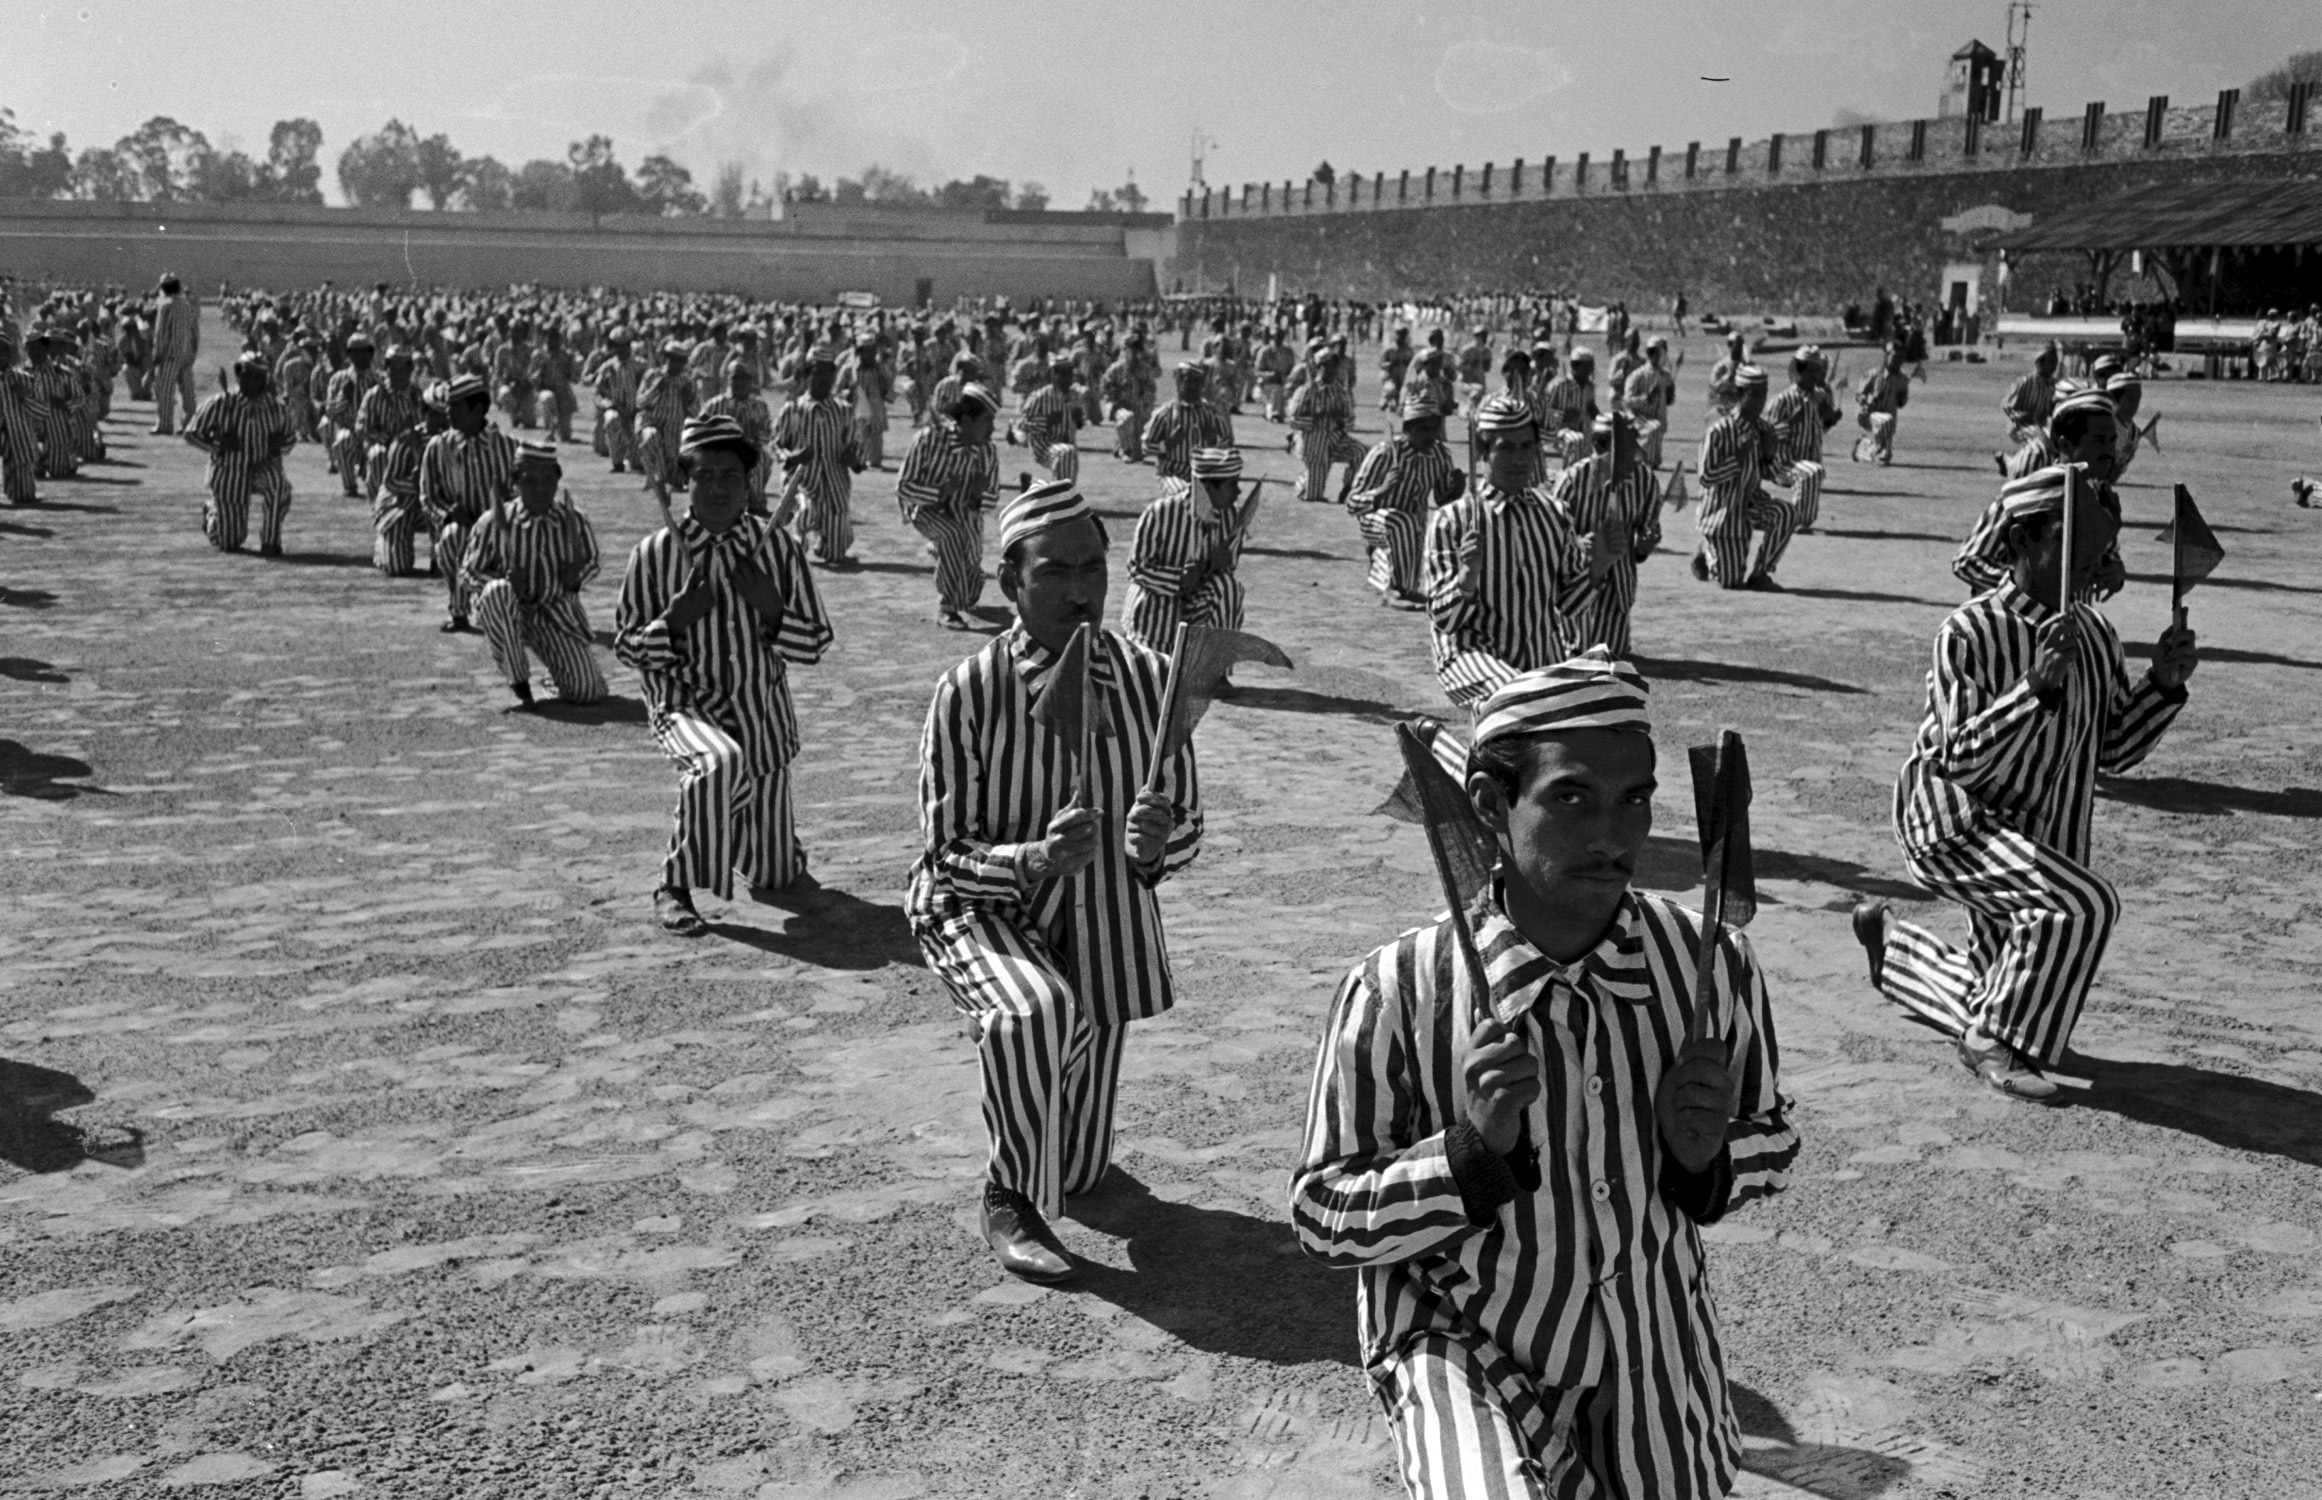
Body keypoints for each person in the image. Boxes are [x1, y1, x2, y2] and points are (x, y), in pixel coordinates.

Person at [1292, 650, 1797, 1500]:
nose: (1616, 836)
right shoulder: (1399, 988)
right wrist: (1467, 1155)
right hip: (1463, 1340)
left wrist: (1705, 1157)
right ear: (1492, 803)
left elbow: (1773, 1140)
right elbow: (1322, 1215)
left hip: (1655, 1347)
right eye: (1571, 798)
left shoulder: (1709, 967)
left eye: (1635, 799)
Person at [905, 479, 1202, 1283]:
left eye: (1094, 570)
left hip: (1100, 920)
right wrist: (1034, 858)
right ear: (1010, 583)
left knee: (1081, 1172)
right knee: (1033, 1008)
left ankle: (1051, 1159)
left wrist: (1154, 845)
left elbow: (1188, 828)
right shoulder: (968, 690)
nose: (1081, 592)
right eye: (1056, 573)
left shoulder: (1150, 678)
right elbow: (945, 857)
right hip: (977, 909)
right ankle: (1008, 1196)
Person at [1854, 466, 2198, 1102]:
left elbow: (2114, 748)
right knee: (2078, 906)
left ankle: (1898, 954)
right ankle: (1995, 1043)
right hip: (1955, 823)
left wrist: (2164, 684)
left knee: (2001, 987)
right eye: (2073, 540)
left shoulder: (2095, 632)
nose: (2094, 559)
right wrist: (2034, 687)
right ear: (2021, 542)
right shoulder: (1969, 631)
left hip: (2037, 832)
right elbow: (1959, 759)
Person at [614, 414, 835, 937]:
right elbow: (626, 647)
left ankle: (732, 827)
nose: (716, 488)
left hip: (761, 714)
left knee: (776, 874)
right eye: (703, 476)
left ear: (749, 483)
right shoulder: (655, 553)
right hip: (684, 704)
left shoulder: (778, 546)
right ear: (683, 481)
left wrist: (773, 610)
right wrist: (673, 622)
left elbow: (816, 643)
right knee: (717, 762)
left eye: (729, 476)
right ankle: (675, 882)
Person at [1426, 393, 1618, 709]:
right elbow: (1445, 621)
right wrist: (1466, 577)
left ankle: (1441, 747)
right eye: (1506, 448)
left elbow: (1570, 604)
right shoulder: (1454, 520)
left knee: (1606, 705)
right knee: (1519, 699)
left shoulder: (1554, 513)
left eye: (1528, 447)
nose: (1520, 458)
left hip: (1540, 657)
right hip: (1472, 656)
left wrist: (1599, 564)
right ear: (1482, 452)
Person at [460, 439, 608, 710]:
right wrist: (501, 581)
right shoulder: (493, 521)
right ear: (516, 482)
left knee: (588, 693)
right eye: (530, 480)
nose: (540, 488)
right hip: (508, 611)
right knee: (496, 592)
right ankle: (519, 681)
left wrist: (575, 577)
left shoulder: (572, 519)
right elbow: (469, 571)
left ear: (557, 481)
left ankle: (557, 677)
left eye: (547, 480)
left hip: (555, 613)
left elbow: (592, 561)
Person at [1955, 387, 2125, 593]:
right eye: (2098, 441)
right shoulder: (2026, 498)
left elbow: (2107, 555)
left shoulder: (2101, 500)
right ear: (2065, 445)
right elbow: (1968, 562)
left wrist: (2115, 571)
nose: (2109, 451)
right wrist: (2028, 587)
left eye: (2112, 441)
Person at [1548, 415, 1661, 656]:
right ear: (1596, 444)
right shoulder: (1573, 479)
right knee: (1578, 651)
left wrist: (1645, 545)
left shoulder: (1645, 480)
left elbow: (1649, 529)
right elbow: (1551, 532)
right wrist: (1577, 542)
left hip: (1620, 578)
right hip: (1580, 575)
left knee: (1614, 652)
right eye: (1599, 442)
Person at [1122, 445, 1252, 651]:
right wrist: (1178, 579)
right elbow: (1136, 569)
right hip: (1156, 616)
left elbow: (1221, 577)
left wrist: (1215, 565)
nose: (1238, 491)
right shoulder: (1160, 513)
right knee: (1157, 676)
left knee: (1229, 588)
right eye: (1232, 484)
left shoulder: (1230, 516)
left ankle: (1216, 670)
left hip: (1196, 609)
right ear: (1208, 488)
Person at [895, 382, 1002, 629]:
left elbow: (992, 499)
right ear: (966, 419)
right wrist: (938, 492)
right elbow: (904, 487)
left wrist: (978, 495)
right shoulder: (928, 439)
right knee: (953, 535)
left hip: (967, 516)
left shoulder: (987, 451)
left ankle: (944, 556)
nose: (992, 429)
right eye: (987, 421)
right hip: (925, 511)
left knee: (971, 591)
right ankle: (947, 610)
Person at [1346, 390, 1466, 609]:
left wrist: (1456, 490)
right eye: (1424, 429)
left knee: (1413, 527)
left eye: (1435, 428)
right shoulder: (1385, 454)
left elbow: (1441, 500)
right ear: (1408, 429)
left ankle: (1402, 585)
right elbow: (1352, 504)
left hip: (1414, 525)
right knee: (1400, 523)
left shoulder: (1440, 455)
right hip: (1374, 521)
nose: (1432, 435)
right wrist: (1381, 491)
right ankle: (1396, 591)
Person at [421, 374, 518, 634]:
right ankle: (460, 611)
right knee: (452, 536)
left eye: (455, 406)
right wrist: (447, 514)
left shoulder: (507, 446)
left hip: (501, 534)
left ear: (477, 409)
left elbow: (521, 493)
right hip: (463, 534)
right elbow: (428, 496)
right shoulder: (439, 447)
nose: (448, 412)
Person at [1690, 365, 1795, 591]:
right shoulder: (1719, 430)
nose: (1760, 401)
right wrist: (1737, 458)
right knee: (1730, 582)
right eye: (1754, 394)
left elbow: (1769, 472)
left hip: (1750, 502)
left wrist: (1768, 454)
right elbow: (1706, 477)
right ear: (1740, 394)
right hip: (1722, 509)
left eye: (1763, 393)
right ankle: (1707, 550)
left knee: (1785, 513)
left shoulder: (1764, 428)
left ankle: (1761, 572)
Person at [182, 350, 297, 556]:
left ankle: (271, 541)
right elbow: (191, 433)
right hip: (230, 472)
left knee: (278, 484)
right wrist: (218, 444)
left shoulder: (275, 408)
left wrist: (279, 445)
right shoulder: (221, 403)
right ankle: (213, 513)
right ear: (238, 375)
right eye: (248, 374)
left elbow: (290, 439)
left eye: (258, 376)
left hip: (262, 467)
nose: (253, 381)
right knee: (230, 541)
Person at [773, 349, 867, 567]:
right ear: (807, 375)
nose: (823, 378)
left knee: (835, 553)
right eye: (817, 373)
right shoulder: (793, 409)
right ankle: (794, 547)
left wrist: (854, 460)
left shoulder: (843, 410)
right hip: (802, 481)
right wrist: (792, 456)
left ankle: (826, 540)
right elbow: (775, 444)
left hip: (834, 483)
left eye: (828, 373)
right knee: (806, 513)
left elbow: (856, 446)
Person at [1760, 347, 1840, 534]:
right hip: (1783, 463)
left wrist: (1830, 420)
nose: (1815, 375)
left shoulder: (1820, 397)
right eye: (1810, 370)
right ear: (1799, 371)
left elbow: (1820, 429)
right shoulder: (1783, 400)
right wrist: (1790, 423)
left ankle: (1800, 521)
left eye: (1818, 370)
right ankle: (1795, 520)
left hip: (1810, 460)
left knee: (1814, 471)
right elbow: (1766, 434)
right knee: (1812, 472)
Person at [372, 380, 447, 578]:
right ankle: (386, 543)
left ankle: (439, 554)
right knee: (397, 567)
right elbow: (390, 482)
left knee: (446, 567)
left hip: (436, 509)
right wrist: (417, 484)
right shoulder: (406, 441)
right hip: (402, 506)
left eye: (446, 415)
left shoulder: (453, 443)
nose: (441, 421)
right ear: (424, 412)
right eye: (435, 414)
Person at [1288, 341, 1367, 504]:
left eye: (1333, 366)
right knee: (1314, 496)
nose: (1330, 370)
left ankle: (1348, 487)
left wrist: (1341, 421)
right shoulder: (1306, 391)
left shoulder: (1341, 392)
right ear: (1318, 367)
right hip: (1314, 440)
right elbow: (1293, 419)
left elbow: (1350, 420)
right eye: (1326, 366)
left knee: (1360, 452)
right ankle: (1304, 481)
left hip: (1336, 438)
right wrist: (1314, 419)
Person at [1141, 363, 1235, 485]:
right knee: (1185, 494)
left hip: (1204, 474)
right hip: (1173, 474)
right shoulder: (1165, 414)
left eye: (1197, 381)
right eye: (1187, 380)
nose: (1192, 385)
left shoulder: (1211, 413)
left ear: (1202, 385)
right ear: (1179, 383)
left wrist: (1213, 440)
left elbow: (1228, 443)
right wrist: (1168, 444)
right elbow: (1146, 447)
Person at [356, 346, 424, 505]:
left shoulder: (418, 395)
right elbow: (361, 427)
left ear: (410, 369)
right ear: (387, 368)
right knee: (378, 454)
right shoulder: (375, 394)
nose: (399, 373)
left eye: (404, 368)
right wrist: (386, 439)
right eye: (394, 367)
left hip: (412, 448)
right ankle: (380, 504)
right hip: (383, 447)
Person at [324, 334, 383, 498]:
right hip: (349, 429)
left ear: (370, 354)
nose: (359, 356)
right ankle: (350, 486)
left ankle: (378, 485)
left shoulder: (380, 379)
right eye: (354, 352)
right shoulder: (339, 379)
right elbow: (330, 411)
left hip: (374, 432)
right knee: (342, 440)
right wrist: (344, 397)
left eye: (363, 352)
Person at [1015, 355, 1084, 485]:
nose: (1067, 378)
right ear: (1053, 375)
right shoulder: (1040, 396)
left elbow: (1079, 424)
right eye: (1063, 374)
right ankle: (1059, 497)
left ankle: (1035, 485)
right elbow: (1022, 425)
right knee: (1066, 453)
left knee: (1070, 464)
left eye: (1069, 374)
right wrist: (1047, 422)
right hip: (1044, 445)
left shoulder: (1075, 396)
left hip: (1067, 444)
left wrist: (1078, 419)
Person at [150, 273, 201, 436]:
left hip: (169, 355)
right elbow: (195, 332)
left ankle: (165, 424)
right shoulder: (187, 305)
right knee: (188, 391)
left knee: (165, 390)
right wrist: (193, 352)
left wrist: (157, 353)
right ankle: (190, 424)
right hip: (186, 354)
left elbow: (160, 332)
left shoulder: (166, 305)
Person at [0, 330, 45, 506]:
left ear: (9, 355)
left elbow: (43, 411)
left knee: (22, 496)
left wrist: (23, 398)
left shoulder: (25, 379)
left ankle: (19, 488)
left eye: (2, 351)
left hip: (17, 437)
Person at [1619, 337, 1675, 470]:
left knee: (1656, 434)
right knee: (1653, 429)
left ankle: (1650, 464)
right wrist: (1646, 398)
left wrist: (1670, 393)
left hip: (1658, 418)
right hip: (1639, 417)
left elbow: (1668, 400)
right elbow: (1627, 401)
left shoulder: (1665, 376)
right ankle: (1644, 465)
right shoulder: (1638, 375)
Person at [1853, 344, 1910, 466]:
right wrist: (1867, 401)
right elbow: (1859, 395)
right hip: (1870, 415)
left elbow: (1901, 403)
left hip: (1889, 419)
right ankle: (1876, 448)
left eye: (1900, 358)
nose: (1897, 361)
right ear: (1887, 357)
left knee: (1882, 453)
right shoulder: (1874, 374)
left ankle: (1862, 447)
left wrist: (1902, 398)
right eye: (1894, 357)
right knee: (1883, 451)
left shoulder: (1903, 379)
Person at [2002, 343, 2059, 447]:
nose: (2054, 366)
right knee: (2042, 442)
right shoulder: (2025, 382)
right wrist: (2020, 415)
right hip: (2020, 426)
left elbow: (2051, 410)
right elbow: (2007, 404)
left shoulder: (2053, 384)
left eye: (2055, 362)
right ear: (2040, 362)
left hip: (2040, 426)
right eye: (2051, 362)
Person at [1379, 326, 1416, 413]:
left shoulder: (1409, 350)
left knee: (1404, 405)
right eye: (1400, 335)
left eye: (1404, 335)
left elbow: (1414, 365)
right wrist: (1390, 364)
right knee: (1385, 404)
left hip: (1404, 381)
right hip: (1391, 380)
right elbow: (1381, 363)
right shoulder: (1390, 349)